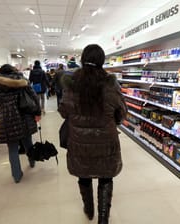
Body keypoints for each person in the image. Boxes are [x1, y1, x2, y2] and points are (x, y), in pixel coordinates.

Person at [58, 44, 127, 224]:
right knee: (106, 176)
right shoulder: (111, 84)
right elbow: (121, 113)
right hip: (106, 140)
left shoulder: (71, 85)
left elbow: (64, 111)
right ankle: (103, 219)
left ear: (82, 60)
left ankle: (88, 210)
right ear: (102, 61)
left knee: (84, 174)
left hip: (80, 141)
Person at [0, 64, 40, 183]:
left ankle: (17, 175)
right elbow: (33, 96)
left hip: (7, 119)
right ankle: (32, 161)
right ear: (13, 70)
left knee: (12, 148)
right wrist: (37, 111)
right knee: (28, 142)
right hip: (24, 115)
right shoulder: (22, 80)